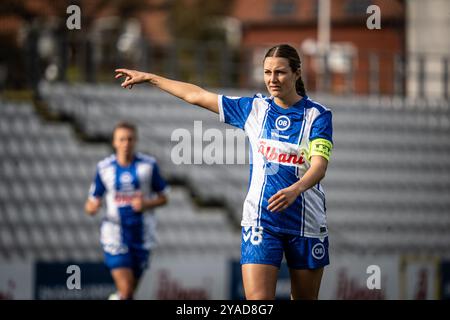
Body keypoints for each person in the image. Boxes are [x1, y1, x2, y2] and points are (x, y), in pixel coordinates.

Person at [114, 44, 333, 300]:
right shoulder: (254, 108)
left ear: (297, 73)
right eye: (267, 72)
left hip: (305, 223)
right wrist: (151, 78)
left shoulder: (317, 115)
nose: (272, 79)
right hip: (261, 221)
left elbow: (319, 166)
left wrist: (296, 189)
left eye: (280, 72)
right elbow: (197, 95)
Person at [84, 121, 169, 300]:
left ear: (136, 141)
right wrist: (92, 207)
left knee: (127, 294)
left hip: (142, 236)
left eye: (130, 139)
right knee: (127, 291)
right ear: (114, 142)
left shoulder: (148, 166)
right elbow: (91, 202)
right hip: (115, 235)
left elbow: (164, 198)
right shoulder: (104, 168)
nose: (126, 143)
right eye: (121, 139)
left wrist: (146, 204)